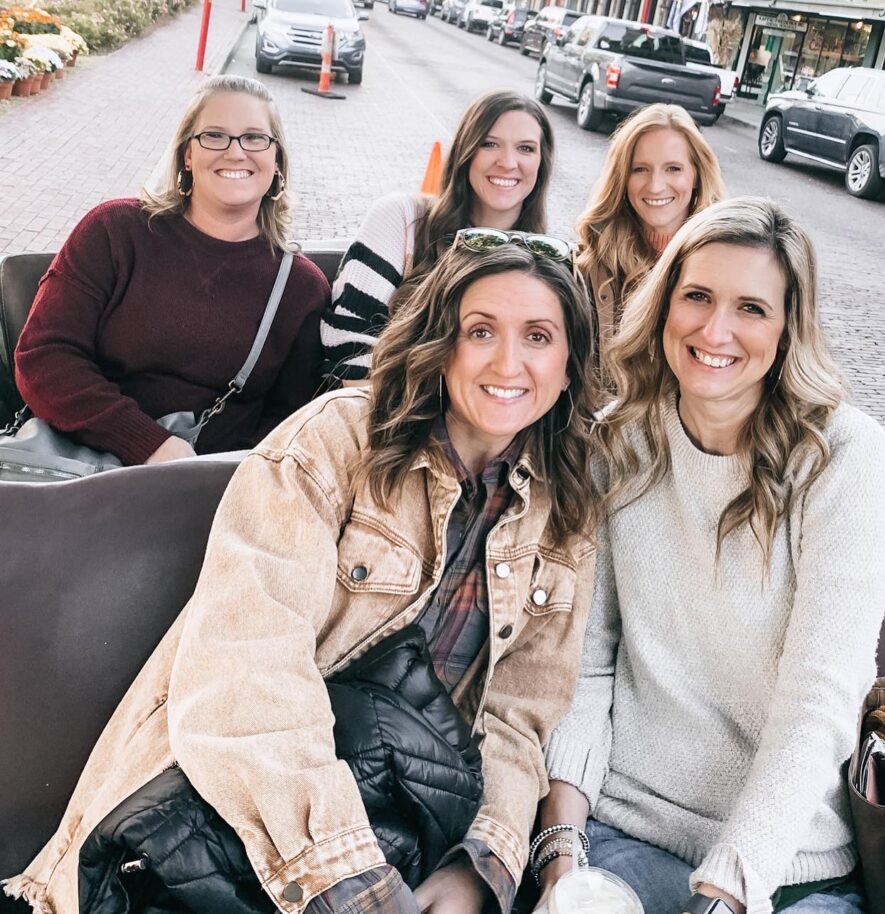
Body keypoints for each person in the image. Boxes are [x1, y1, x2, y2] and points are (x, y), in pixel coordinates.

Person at [5, 238, 602, 914]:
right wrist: (344, 875)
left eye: (538, 336)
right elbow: (247, 660)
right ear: (441, 341)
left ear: (568, 364)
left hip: (412, 828)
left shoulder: (565, 510)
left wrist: (482, 864)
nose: (507, 362)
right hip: (244, 810)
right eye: (481, 331)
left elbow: (519, 716)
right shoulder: (338, 440)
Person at [532, 198, 885, 914]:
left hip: (787, 864)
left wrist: (731, 886)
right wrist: (560, 852)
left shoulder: (843, 457)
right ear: (664, 303)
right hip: (624, 831)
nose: (716, 329)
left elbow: (821, 699)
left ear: (789, 326)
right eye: (696, 296)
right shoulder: (617, 444)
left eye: (752, 308)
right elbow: (586, 665)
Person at [13, 75, 329, 466]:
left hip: (208, 499)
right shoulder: (114, 232)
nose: (236, 152)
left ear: (276, 160)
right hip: (75, 475)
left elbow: (290, 426)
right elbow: (43, 357)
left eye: (255, 138)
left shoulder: (301, 289)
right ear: (187, 155)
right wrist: (150, 444)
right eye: (214, 135)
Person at [320, 89, 554, 384]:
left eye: (526, 148)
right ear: (465, 153)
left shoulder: (546, 260)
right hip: (379, 412)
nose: (508, 162)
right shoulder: (402, 219)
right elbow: (348, 350)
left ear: (541, 164)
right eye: (489, 144)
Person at [575, 103, 725, 345]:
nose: (655, 186)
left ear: (697, 175)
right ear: (622, 178)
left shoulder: (727, 260)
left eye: (673, 169)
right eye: (640, 169)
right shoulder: (592, 260)